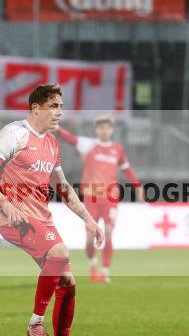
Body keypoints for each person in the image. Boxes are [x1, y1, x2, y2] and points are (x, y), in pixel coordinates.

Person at [0, 84, 104, 336]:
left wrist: (89, 219)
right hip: (14, 218)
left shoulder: (51, 143)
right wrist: (5, 203)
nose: (60, 111)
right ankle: (35, 322)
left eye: (61, 105)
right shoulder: (15, 133)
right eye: (54, 105)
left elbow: (63, 187)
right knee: (59, 251)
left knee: (68, 283)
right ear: (36, 108)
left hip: (41, 219)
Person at [57, 115, 144, 283]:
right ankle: (93, 264)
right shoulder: (89, 145)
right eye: (101, 127)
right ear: (97, 129)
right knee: (90, 238)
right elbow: (71, 139)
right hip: (92, 196)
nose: (105, 130)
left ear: (112, 130)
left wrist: (138, 188)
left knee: (109, 232)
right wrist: (57, 128)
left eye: (108, 127)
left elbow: (127, 170)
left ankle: (105, 271)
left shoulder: (117, 149)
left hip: (111, 197)